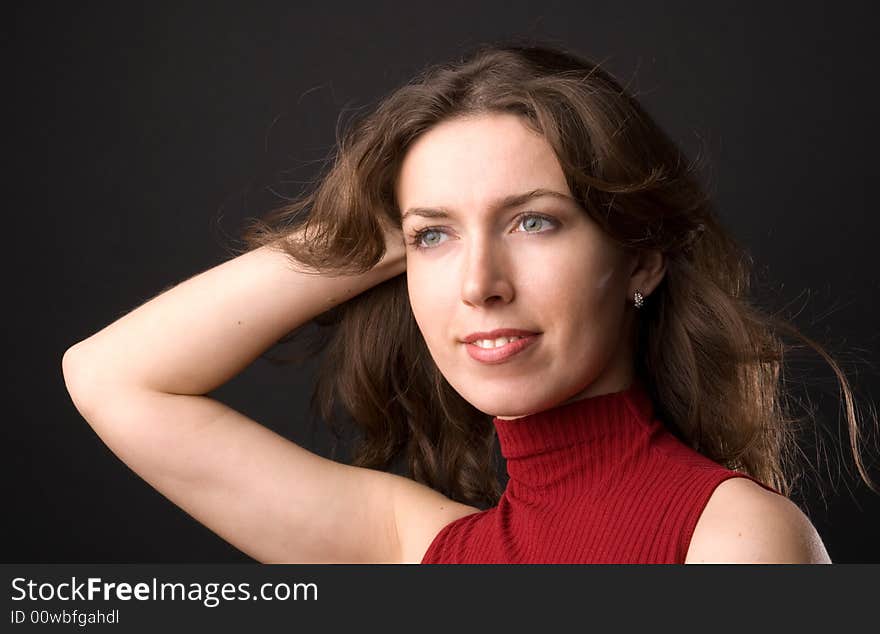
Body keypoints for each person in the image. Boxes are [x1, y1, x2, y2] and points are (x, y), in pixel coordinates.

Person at [61, 42, 874, 563]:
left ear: (642, 259)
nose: (479, 284)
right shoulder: (431, 549)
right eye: (434, 240)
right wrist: (369, 232)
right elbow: (109, 376)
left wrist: (434, 221)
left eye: (534, 221)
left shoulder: (734, 539)